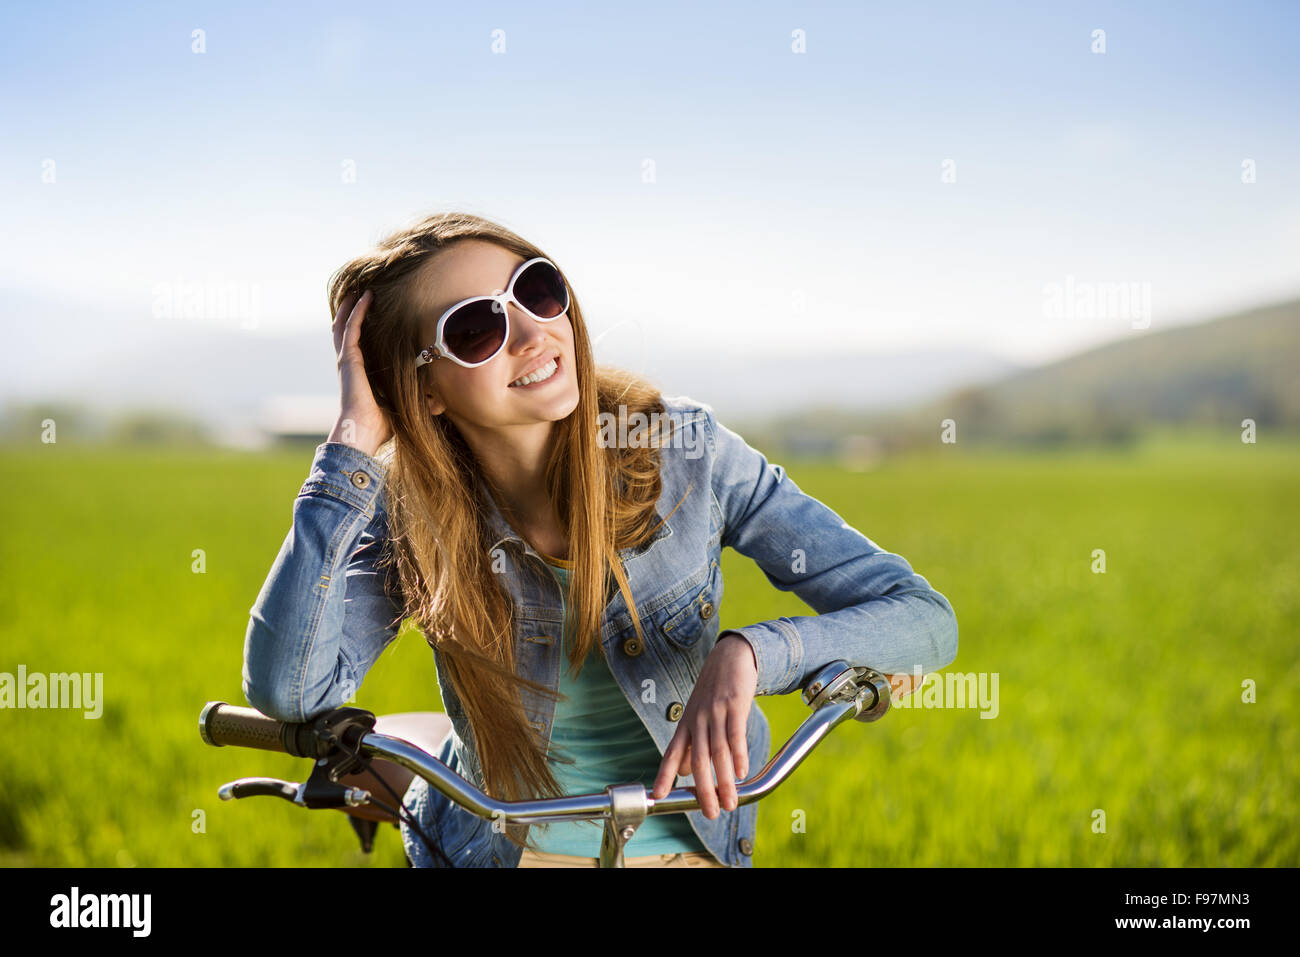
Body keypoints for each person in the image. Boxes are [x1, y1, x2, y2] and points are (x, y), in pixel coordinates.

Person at [242, 210, 958, 868]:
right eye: (473, 330)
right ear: (423, 389)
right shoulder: (413, 513)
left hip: (690, 839)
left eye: (537, 289)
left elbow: (924, 619)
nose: (531, 334)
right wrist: (349, 451)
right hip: (495, 843)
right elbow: (290, 690)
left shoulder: (686, 450)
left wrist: (750, 653)